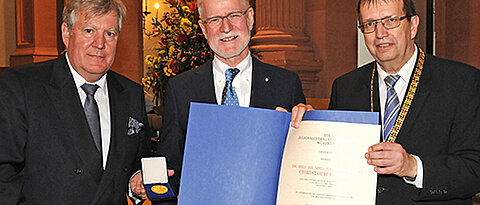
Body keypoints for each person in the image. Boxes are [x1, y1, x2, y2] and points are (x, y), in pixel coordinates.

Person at [129, 0, 313, 202]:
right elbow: (170, 166)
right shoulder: (181, 89)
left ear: (250, 18)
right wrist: (151, 184)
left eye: (234, 15)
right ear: (204, 29)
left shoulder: (285, 85)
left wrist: (311, 126)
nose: (226, 28)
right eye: (215, 19)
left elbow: (301, 165)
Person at [0, 0, 152, 204]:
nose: (100, 43)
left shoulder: (131, 93)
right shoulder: (23, 86)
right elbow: (5, 172)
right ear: (66, 33)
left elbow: (136, 161)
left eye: (110, 33)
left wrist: (136, 181)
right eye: (89, 30)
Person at [328, 0, 480, 204]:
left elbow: (475, 169)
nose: (380, 33)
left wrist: (413, 167)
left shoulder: (462, 82)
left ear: (413, 25)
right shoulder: (345, 88)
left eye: (391, 20)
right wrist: (306, 126)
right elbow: (333, 161)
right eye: (370, 24)